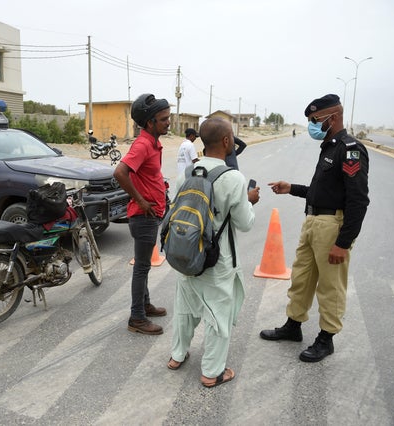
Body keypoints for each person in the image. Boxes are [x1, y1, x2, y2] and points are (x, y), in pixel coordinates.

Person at [259, 94, 369, 362]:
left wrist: (343, 243)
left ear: (333, 117)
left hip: (332, 226)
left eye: (315, 120)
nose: (311, 125)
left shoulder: (350, 149)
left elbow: (358, 200)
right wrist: (292, 189)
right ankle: (293, 325)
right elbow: (323, 193)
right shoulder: (329, 147)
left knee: (330, 285)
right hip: (312, 222)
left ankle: (326, 338)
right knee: (302, 278)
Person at [167, 117, 259, 387]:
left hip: (187, 253)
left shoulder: (188, 173)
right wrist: (249, 200)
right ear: (228, 141)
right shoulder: (234, 178)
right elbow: (245, 223)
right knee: (218, 314)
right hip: (217, 260)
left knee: (185, 307)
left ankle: (176, 355)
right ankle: (212, 372)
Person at [113, 93, 170, 335]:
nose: (169, 122)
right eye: (164, 119)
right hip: (143, 216)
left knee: (144, 266)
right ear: (150, 123)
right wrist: (141, 200)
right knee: (142, 267)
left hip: (150, 215)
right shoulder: (143, 144)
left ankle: (144, 305)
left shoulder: (152, 143)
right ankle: (137, 317)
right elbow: (120, 173)